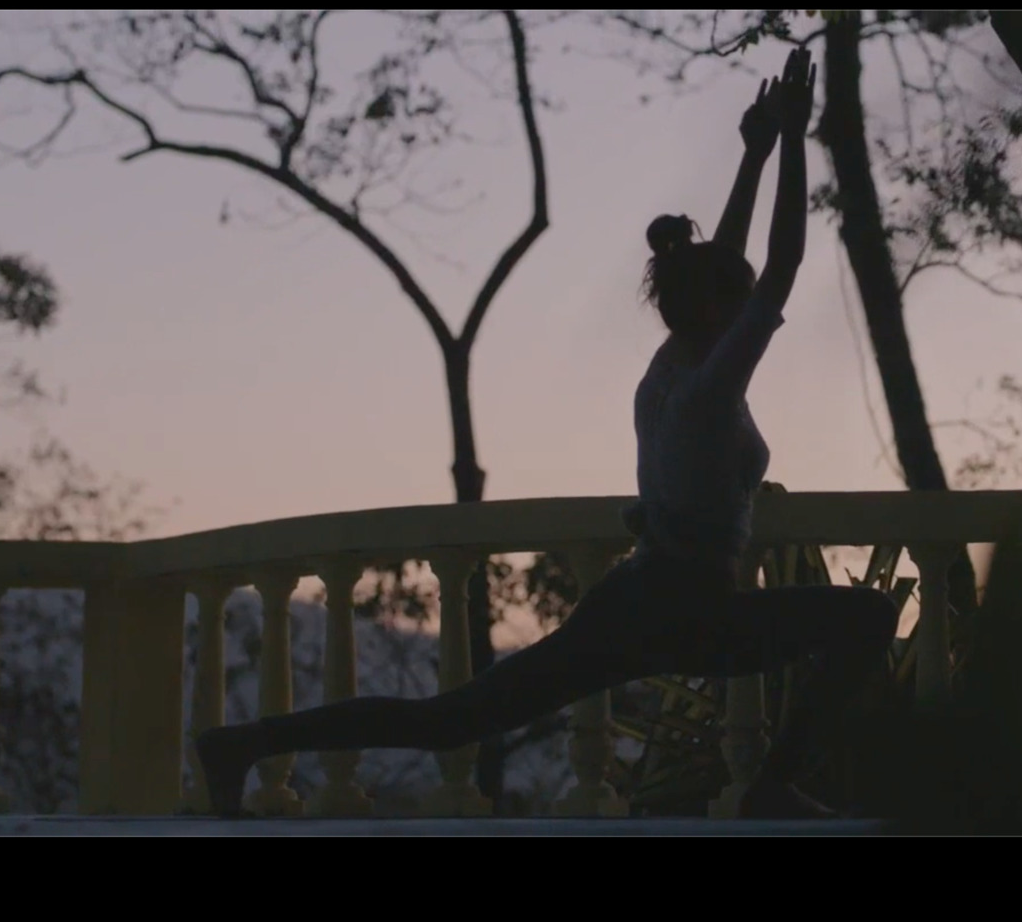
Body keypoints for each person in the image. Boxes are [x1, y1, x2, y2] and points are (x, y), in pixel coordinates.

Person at [195, 47, 898, 819]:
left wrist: (754, 154)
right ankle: (772, 785)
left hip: (635, 599)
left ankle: (242, 745)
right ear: (714, 313)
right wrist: (799, 137)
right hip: (685, 611)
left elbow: (726, 268)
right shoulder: (704, 390)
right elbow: (783, 262)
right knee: (863, 620)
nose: (750, 311)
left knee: (451, 720)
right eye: (738, 303)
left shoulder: (676, 362)